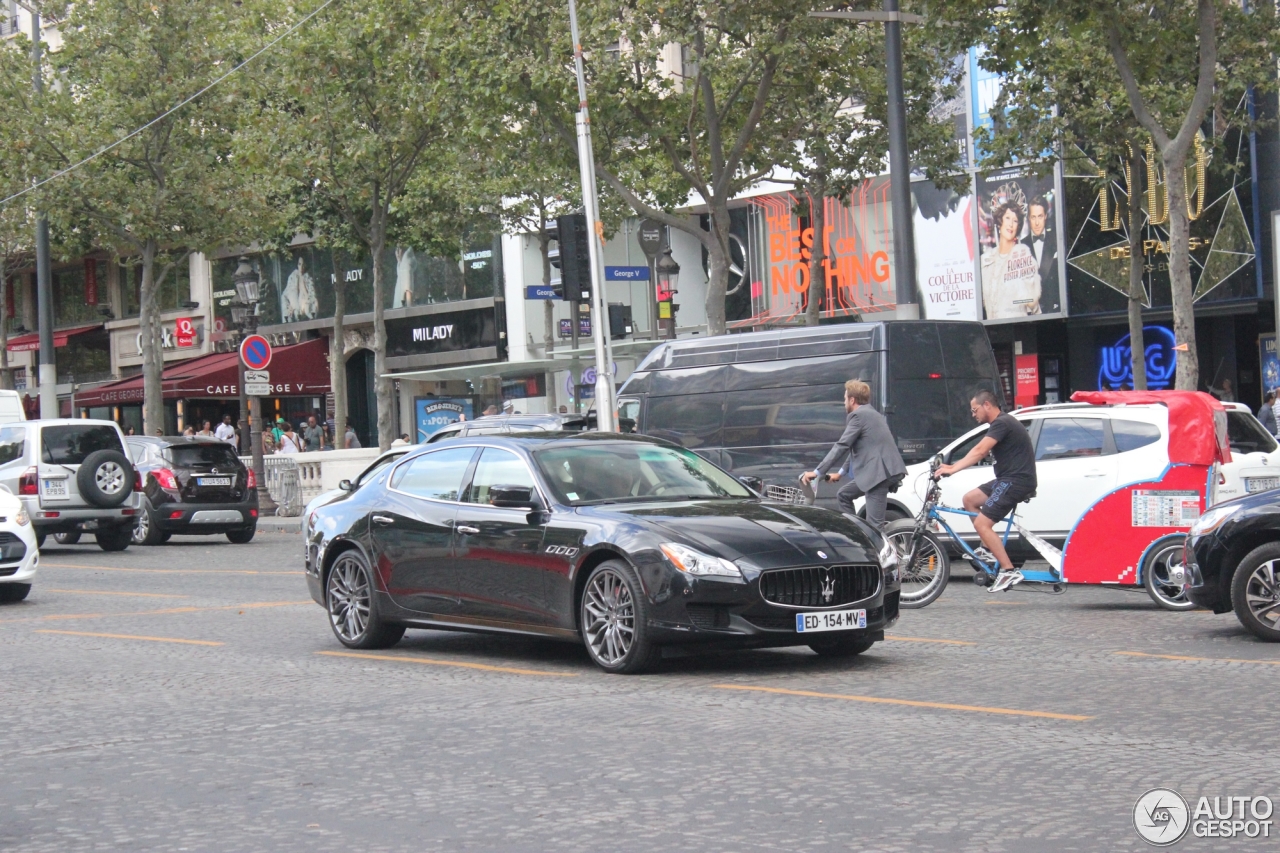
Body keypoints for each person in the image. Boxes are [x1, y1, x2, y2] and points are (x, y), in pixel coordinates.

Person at [935, 389, 1038, 592]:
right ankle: (987, 550)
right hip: (1006, 479)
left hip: (1015, 481)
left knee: (983, 523)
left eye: (975, 410)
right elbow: (978, 452)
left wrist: (953, 469)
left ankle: (1008, 571)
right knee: (970, 500)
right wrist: (950, 467)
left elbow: (979, 450)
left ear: (987, 405)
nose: (973, 415)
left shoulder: (1002, 423)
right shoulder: (1000, 424)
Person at [800, 380, 906, 530]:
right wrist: (840, 473)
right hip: (880, 470)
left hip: (879, 474)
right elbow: (857, 447)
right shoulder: (871, 413)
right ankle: (857, 532)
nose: (844, 403)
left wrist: (817, 472)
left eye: (844, 399)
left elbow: (842, 445)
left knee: (874, 528)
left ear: (852, 400)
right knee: (844, 494)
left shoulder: (858, 416)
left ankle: (875, 546)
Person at [981, 199, 1042, 319]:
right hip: (991, 330)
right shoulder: (985, 259)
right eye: (1008, 218)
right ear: (1000, 222)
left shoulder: (1023, 256)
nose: (1011, 224)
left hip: (1018, 329)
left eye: (1015, 221)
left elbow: (1033, 304)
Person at [1021, 196, 1057, 304]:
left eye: (1040, 216)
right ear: (1028, 218)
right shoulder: (1021, 247)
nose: (1037, 223)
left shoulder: (1056, 242)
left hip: (1055, 310)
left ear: (1046, 216)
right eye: (1033, 217)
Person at [281, 255, 318, 322]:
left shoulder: (308, 278)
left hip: (306, 311)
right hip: (293, 311)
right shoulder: (292, 278)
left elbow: (312, 297)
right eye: (299, 264)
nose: (301, 266)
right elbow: (285, 295)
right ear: (297, 265)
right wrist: (288, 307)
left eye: (303, 264)